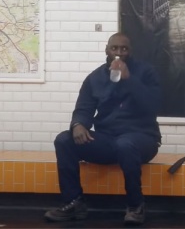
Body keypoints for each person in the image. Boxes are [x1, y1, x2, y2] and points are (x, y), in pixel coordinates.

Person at [43, 32, 162, 226]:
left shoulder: (146, 72)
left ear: (130, 51)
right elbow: (84, 108)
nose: (119, 52)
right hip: (108, 139)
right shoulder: (95, 78)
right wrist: (78, 125)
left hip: (142, 138)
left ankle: (135, 205)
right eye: (114, 48)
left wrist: (129, 79)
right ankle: (73, 202)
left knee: (126, 144)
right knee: (64, 140)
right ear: (107, 50)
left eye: (124, 49)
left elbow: (153, 105)